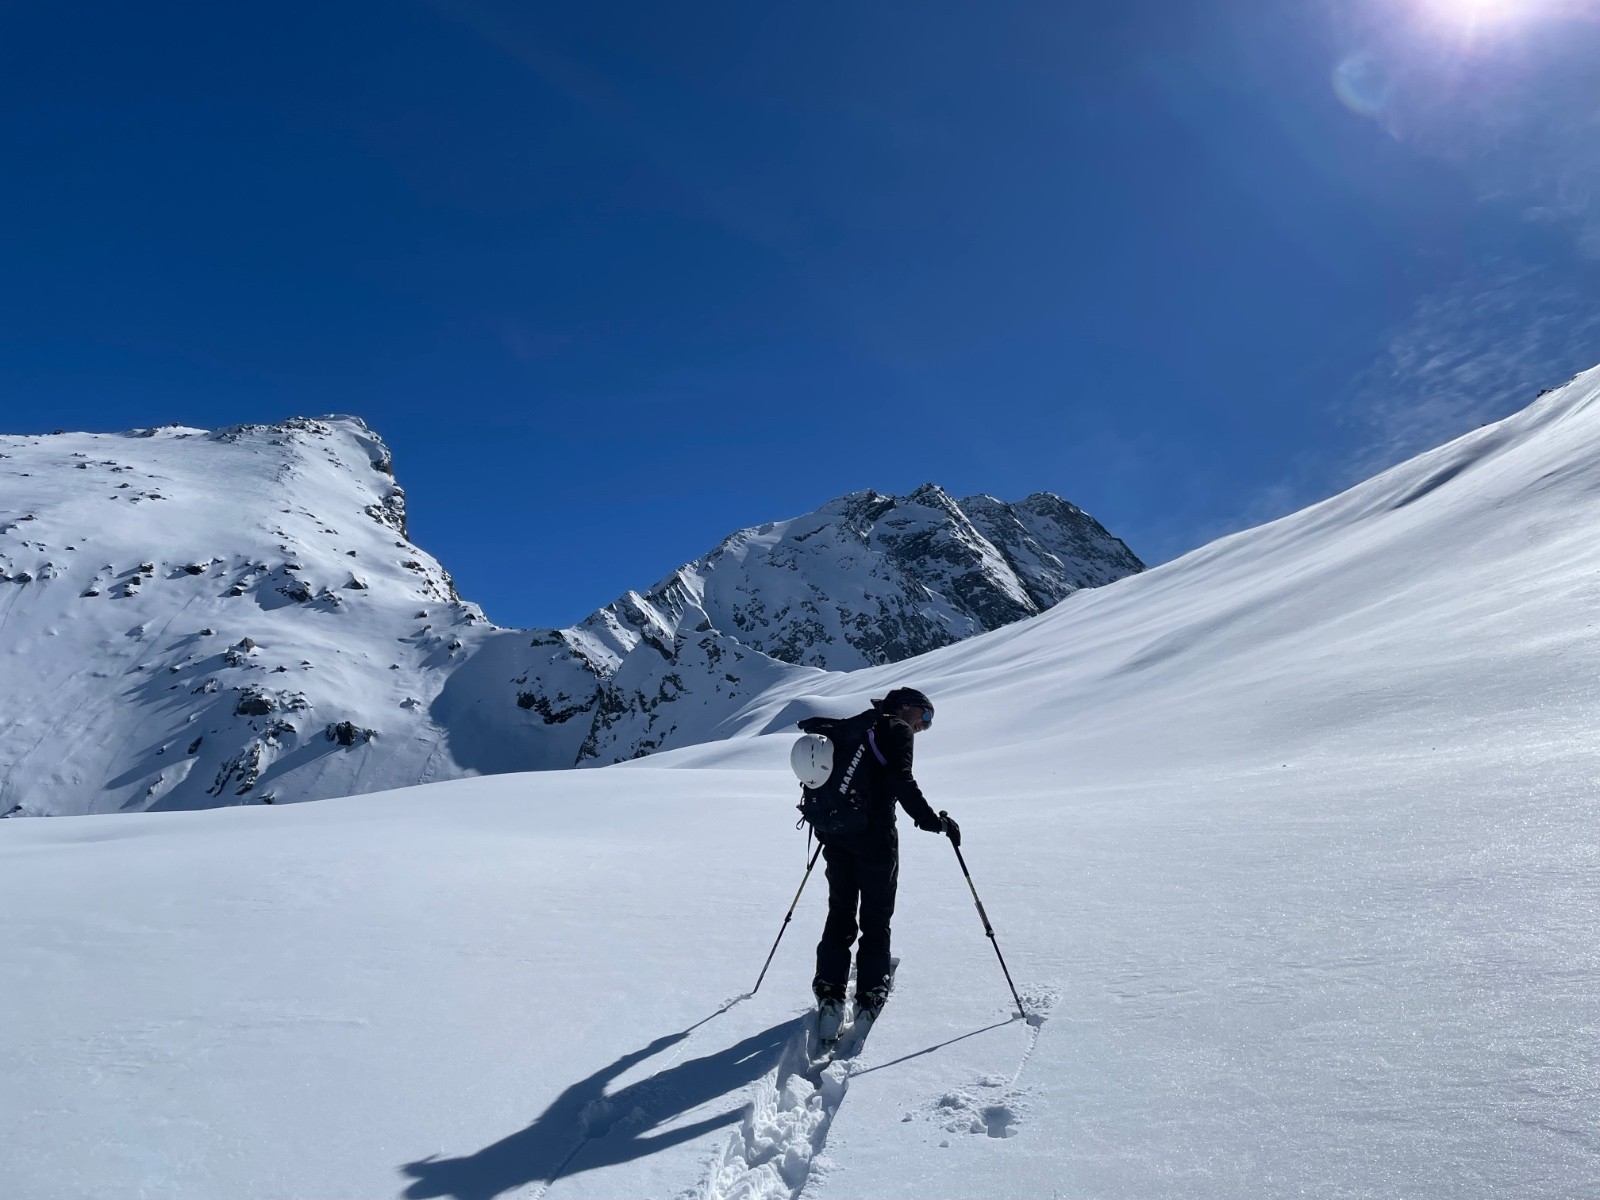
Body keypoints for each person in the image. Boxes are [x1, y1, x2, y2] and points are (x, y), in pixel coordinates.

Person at [811, 686, 959, 1033]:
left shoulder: (858, 727)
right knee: (876, 917)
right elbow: (901, 781)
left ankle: (829, 992)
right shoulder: (897, 729)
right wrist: (933, 822)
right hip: (875, 839)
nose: (925, 725)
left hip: (835, 835)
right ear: (907, 708)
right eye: (926, 716)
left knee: (840, 911)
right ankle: (870, 993)